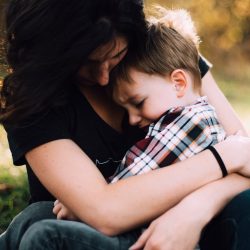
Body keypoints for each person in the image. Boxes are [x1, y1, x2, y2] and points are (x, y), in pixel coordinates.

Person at [0, 0, 250, 249]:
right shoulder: (31, 98)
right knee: (37, 219)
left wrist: (195, 209)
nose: (103, 78)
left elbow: (246, 165)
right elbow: (103, 211)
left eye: (116, 55)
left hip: (185, 233)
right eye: (85, 63)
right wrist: (226, 157)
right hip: (85, 236)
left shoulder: (163, 54)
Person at [109, 9, 226, 183]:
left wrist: (84, 199)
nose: (132, 119)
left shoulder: (191, 122)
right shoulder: (198, 117)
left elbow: (129, 182)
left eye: (138, 103)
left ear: (178, 83)